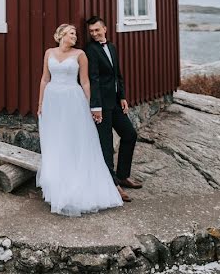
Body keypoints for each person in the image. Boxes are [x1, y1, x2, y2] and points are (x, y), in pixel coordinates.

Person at [36, 23, 124, 216]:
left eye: (75, 34)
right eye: (71, 33)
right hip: (52, 101)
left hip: (72, 101)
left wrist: (91, 106)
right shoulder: (48, 52)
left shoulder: (80, 55)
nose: (75, 37)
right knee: (55, 141)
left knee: (73, 141)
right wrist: (41, 103)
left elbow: (85, 82)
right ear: (61, 35)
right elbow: (44, 79)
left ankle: (75, 186)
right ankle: (57, 186)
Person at [84, 16, 142, 202]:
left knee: (130, 134)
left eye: (97, 30)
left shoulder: (112, 47)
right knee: (106, 144)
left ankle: (123, 175)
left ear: (105, 29)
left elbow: (118, 75)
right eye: (91, 31)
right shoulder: (90, 51)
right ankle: (113, 184)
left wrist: (122, 96)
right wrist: (96, 107)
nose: (94, 34)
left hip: (115, 103)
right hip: (101, 105)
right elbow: (94, 80)